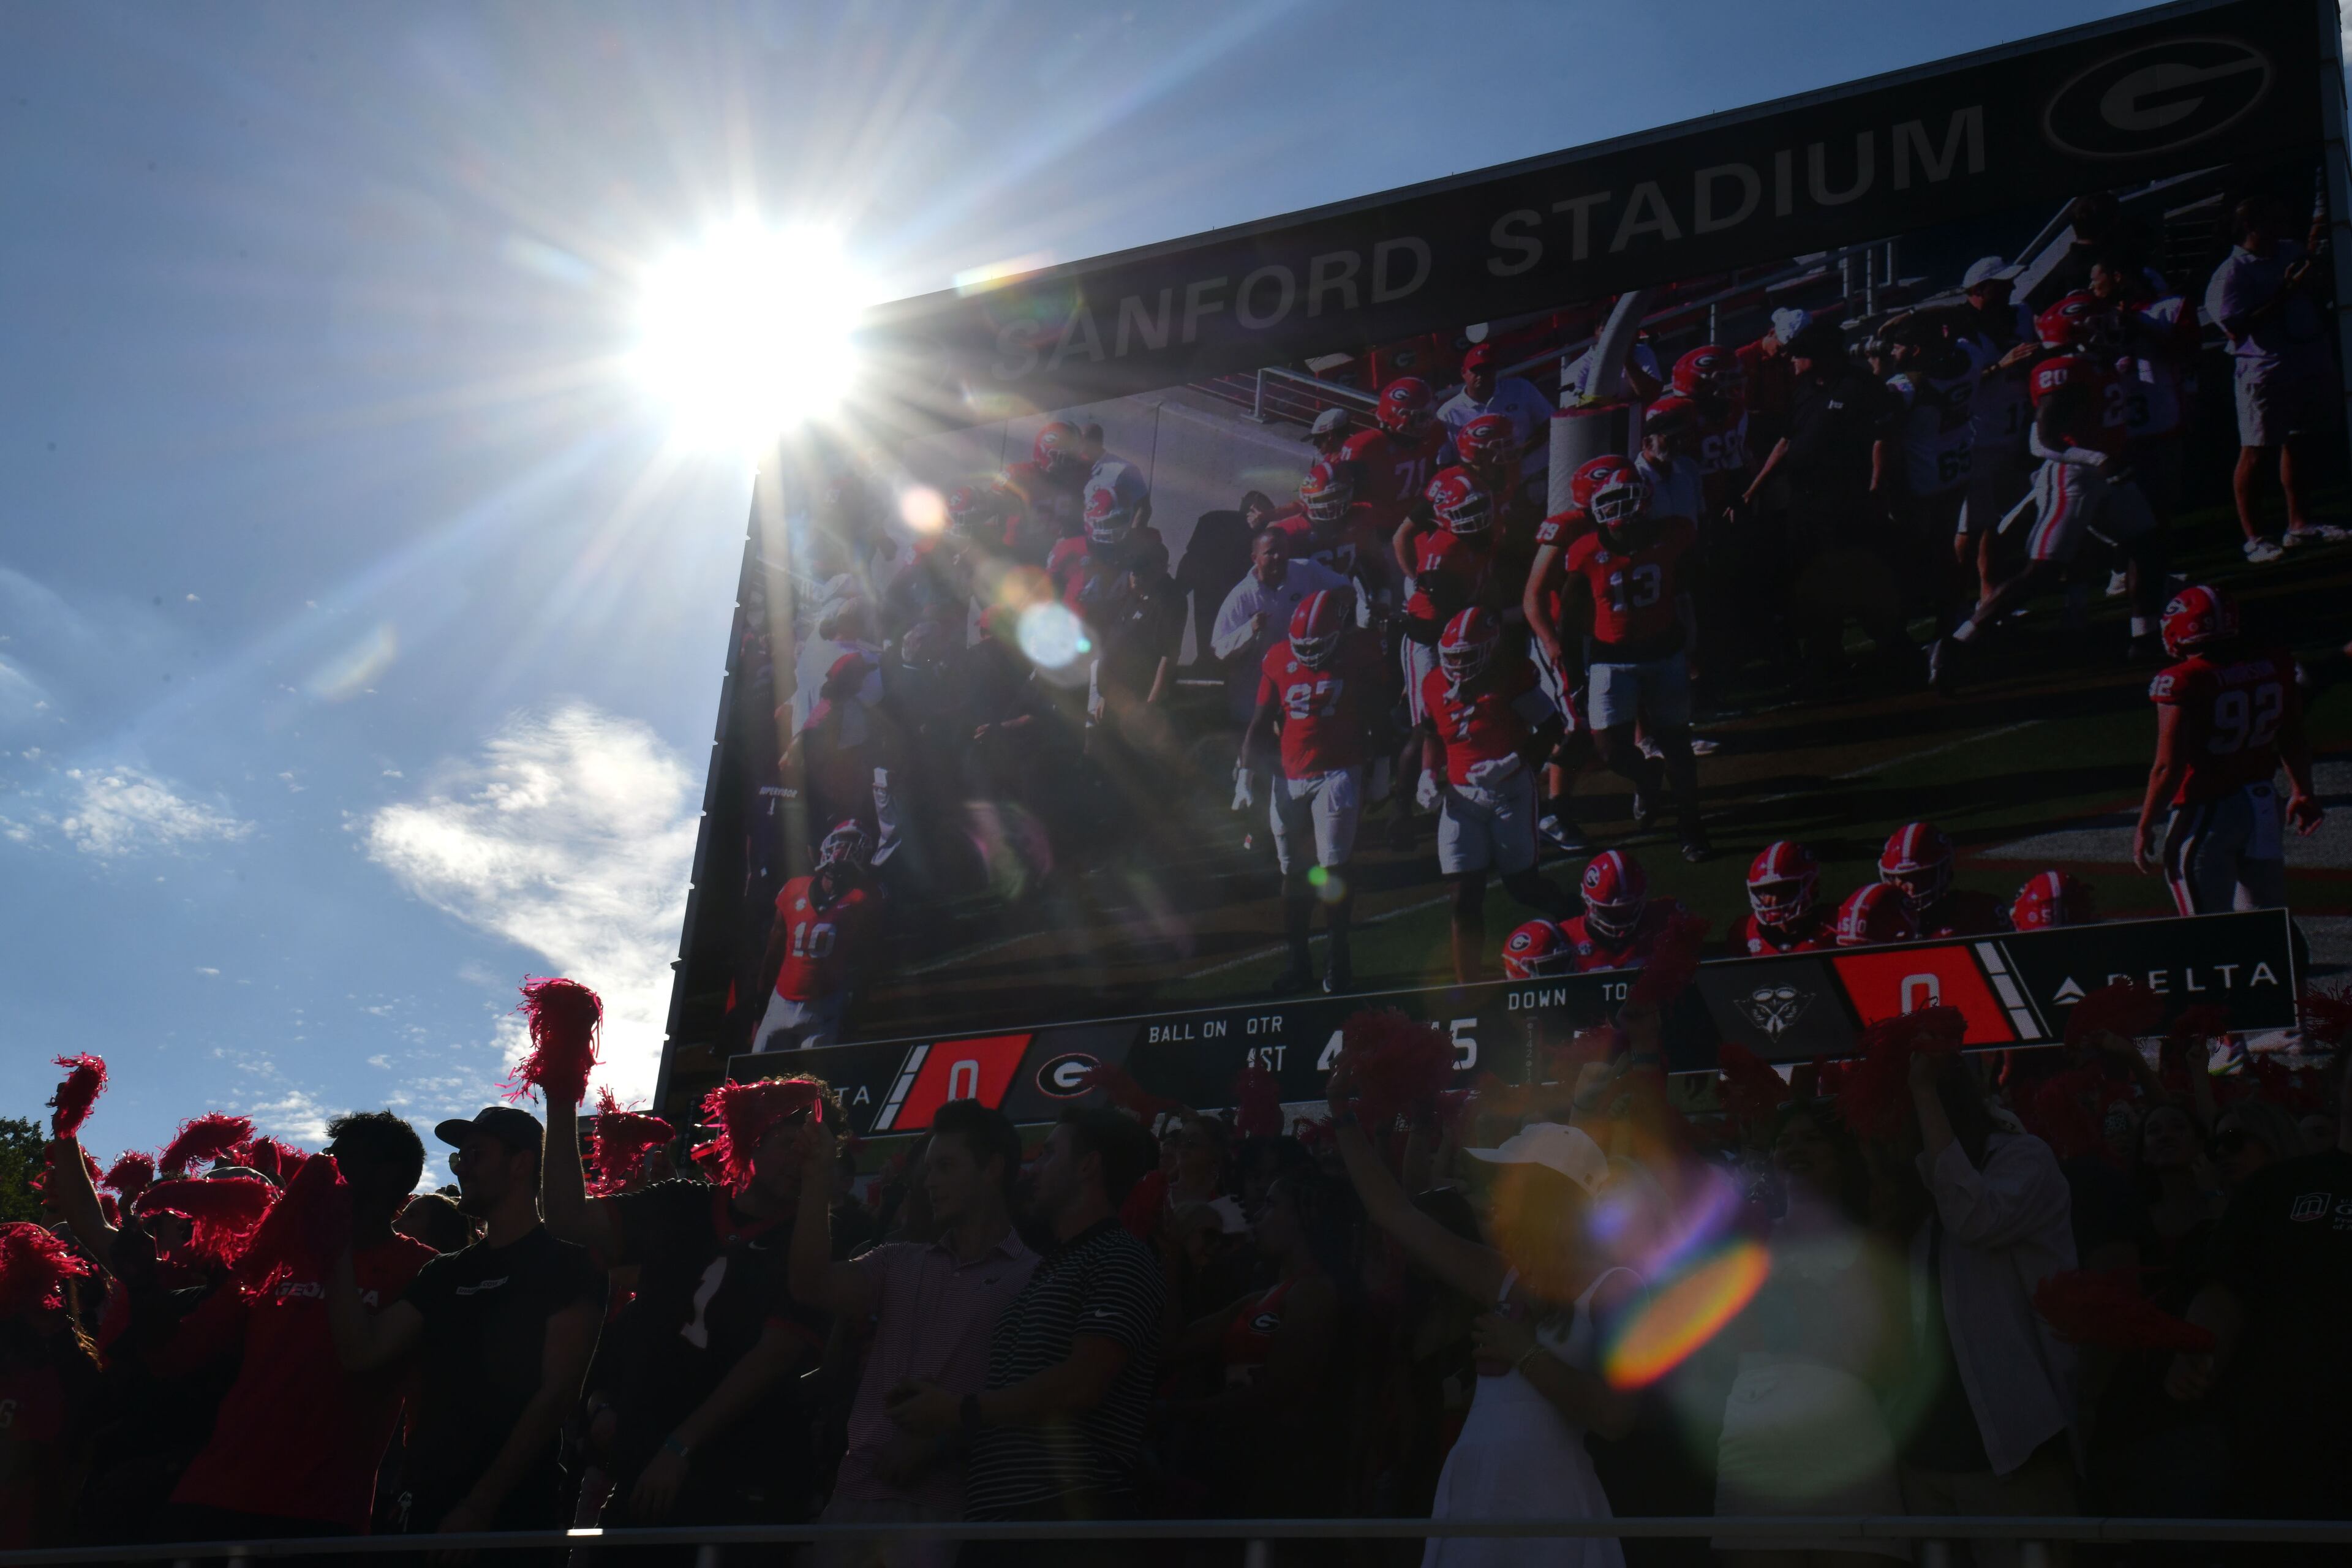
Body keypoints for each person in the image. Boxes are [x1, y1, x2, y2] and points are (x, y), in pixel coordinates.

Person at [1327, 1071, 1638, 1568]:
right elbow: (1394, 1213)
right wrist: (1342, 1115)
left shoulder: (1616, 1285)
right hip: (1475, 1493)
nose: (1496, 1195)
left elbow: (1615, 1417)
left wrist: (1525, 1352)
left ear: (1551, 1196)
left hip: (1550, 1502)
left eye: (1511, 1181)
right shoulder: (1502, 1275)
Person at [541, 1077, 834, 1536]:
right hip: (642, 1474)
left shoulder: (814, 1245)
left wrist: (681, 1446)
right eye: (788, 1142)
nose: (800, 1158)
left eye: (813, 1150)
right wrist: (561, 1094)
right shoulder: (681, 1203)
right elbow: (566, 1217)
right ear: (755, 1139)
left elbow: (775, 1355)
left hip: (743, 1486)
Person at [888, 1107, 1164, 1561]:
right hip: (1004, 1524)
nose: (1034, 1169)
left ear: (1088, 1165)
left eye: (1050, 1153)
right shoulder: (1050, 1266)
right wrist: (938, 1433)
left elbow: (1083, 1383)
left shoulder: (1120, 1257)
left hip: (1068, 1525)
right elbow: (1019, 1399)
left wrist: (958, 1410)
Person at [326, 1105, 603, 1540]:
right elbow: (363, 1353)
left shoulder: (568, 1263)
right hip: (426, 1509)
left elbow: (557, 1395)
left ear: (521, 1164)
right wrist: (336, 1243)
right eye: (459, 1159)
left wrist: (479, 1506)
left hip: (510, 1520)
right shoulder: (443, 1273)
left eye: (474, 1156)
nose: (461, 1171)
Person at [164, 1114, 435, 1543]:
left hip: (322, 1511)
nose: (323, 1167)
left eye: (340, 1159)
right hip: (215, 1493)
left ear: (387, 1175)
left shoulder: (424, 1270)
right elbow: (179, 1356)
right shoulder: (282, 1249)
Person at [790, 1099, 1036, 1568]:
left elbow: (1038, 1409)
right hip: (852, 1499)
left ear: (993, 1170)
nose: (929, 1181)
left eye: (946, 1166)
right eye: (928, 1168)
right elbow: (810, 1284)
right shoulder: (898, 1260)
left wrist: (941, 1442)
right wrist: (817, 1177)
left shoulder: (1035, 1278)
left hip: (953, 1513)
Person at [1893, 1050, 2079, 1567]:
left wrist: (1924, 1093)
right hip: (1925, 1457)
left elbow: (1976, 1219)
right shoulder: (1912, 1187)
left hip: (2013, 1444)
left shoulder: (2024, 1158)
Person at [2168, 1053, 2352, 1547]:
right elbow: (2225, 1289)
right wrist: (2196, 1348)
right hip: (2285, 1448)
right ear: (2340, 1083)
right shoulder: (2280, 1187)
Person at [1713, 1103, 1909, 1566]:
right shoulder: (1752, 1241)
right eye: (1785, 1141)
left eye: (1810, 1139)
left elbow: (1894, 1358)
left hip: (1846, 1445)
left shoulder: (1874, 1243)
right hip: (1756, 1444)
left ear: (1841, 1156)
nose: (1794, 1148)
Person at [1553, 457, 1710, 860]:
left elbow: (1693, 590)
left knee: (1678, 744)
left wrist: (1697, 648)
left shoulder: (1674, 534)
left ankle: (1691, 828)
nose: (1619, 509)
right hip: (1611, 658)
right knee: (1609, 750)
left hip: (1664, 651)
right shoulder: (1585, 551)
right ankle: (1646, 778)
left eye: (1626, 498)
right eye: (1612, 500)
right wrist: (1575, 676)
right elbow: (1569, 623)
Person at [2132, 584, 2323, 913]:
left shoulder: (2184, 680)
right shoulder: (2274, 664)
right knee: (2267, 926)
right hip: (2262, 804)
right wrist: (2303, 789)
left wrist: (2145, 822)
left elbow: (2168, 765)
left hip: (2208, 811)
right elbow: (2292, 734)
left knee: (2207, 930)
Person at [1413, 606, 1577, 982]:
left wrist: (1512, 762)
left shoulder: (1510, 676)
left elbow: (1554, 729)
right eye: (1451, 656)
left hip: (1510, 793)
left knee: (1523, 887)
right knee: (1462, 896)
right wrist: (1426, 774)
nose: (1457, 664)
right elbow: (1431, 735)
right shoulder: (1435, 683)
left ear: (1489, 650)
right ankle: (1467, 984)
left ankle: (1580, 920)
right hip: (1460, 799)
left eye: (1466, 656)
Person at [1236, 588, 1388, 992]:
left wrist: (1381, 768)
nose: (1309, 653)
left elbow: (1378, 714)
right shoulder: (1277, 657)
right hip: (1289, 775)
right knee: (1293, 871)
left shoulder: (1357, 654)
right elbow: (1261, 721)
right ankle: (1298, 963)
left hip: (1338, 772)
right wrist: (1246, 774)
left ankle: (1339, 960)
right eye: (1302, 645)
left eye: (1317, 644)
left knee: (1334, 867)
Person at [2201, 194, 2343, 561]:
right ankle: (2255, 539)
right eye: (2272, 219)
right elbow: (2236, 329)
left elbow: (2316, 287)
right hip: (2263, 372)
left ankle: (2300, 525)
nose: (2281, 225)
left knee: (2300, 441)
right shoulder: (2229, 274)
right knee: (2256, 451)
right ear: (2251, 226)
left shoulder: (2290, 250)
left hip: (2307, 360)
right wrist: (2284, 293)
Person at [752, 818, 884, 1052]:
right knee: (756, 1075)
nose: (844, 849)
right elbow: (773, 952)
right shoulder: (794, 889)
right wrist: (758, 1008)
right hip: (780, 1001)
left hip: (825, 1007)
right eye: (841, 842)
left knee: (813, 1084)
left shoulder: (864, 900)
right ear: (827, 845)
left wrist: (855, 1009)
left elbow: (869, 962)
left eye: (853, 844)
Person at [1211, 529, 1353, 728]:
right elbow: (1219, 649)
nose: (1278, 557)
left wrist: (1330, 614)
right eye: (1270, 553)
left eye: (1282, 551)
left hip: (1300, 688)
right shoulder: (1241, 596)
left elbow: (1346, 590)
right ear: (1255, 558)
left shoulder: (1307, 571)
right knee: (1258, 749)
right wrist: (1250, 629)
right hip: (1254, 693)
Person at [1177, 489, 1276, 680]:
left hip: (1214, 593)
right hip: (1222, 594)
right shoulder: (1218, 524)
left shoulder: (1212, 522)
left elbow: (1190, 560)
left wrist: (1180, 588)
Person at [1439, 341, 1556, 492]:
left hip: (1535, 476)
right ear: (1464, 373)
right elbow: (1444, 463)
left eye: (1487, 370)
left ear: (1495, 371)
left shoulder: (1520, 388)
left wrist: (1521, 451)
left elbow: (1550, 422)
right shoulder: (1448, 413)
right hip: (1486, 491)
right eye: (1476, 371)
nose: (1481, 376)